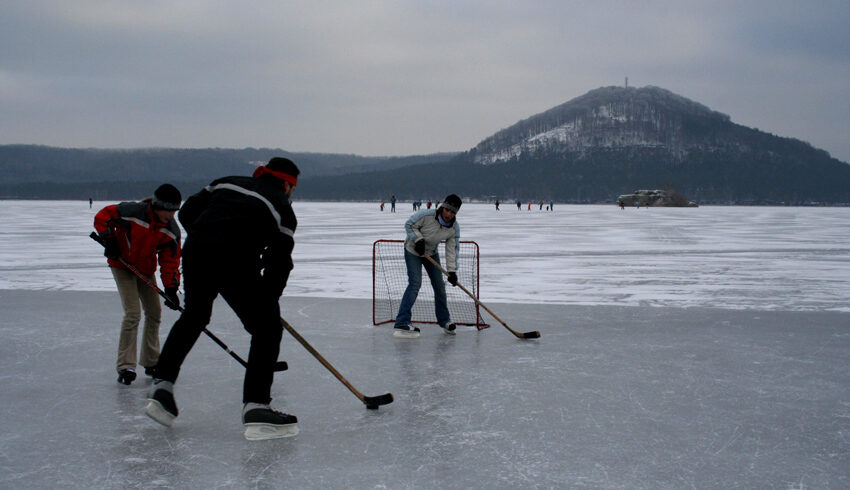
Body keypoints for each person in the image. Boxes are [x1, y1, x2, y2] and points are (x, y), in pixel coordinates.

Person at [145, 157, 301, 441]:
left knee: (195, 315)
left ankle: (162, 385)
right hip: (237, 261)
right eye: (293, 187)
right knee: (267, 329)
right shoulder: (283, 208)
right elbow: (280, 262)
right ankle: (256, 406)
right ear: (287, 184)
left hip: (196, 252)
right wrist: (268, 301)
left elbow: (188, 212)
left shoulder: (226, 181)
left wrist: (208, 236)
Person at [93, 184, 182, 385]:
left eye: (174, 211)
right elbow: (103, 216)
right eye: (168, 211)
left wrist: (171, 288)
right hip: (121, 266)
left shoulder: (170, 230)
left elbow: (171, 260)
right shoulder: (132, 212)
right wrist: (109, 239)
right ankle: (126, 366)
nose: (171, 215)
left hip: (145, 270)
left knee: (154, 312)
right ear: (157, 206)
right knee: (133, 313)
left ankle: (151, 362)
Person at [392, 194, 462, 339]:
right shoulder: (426, 215)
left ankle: (445, 321)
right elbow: (409, 225)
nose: (449, 214)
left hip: (431, 253)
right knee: (415, 283)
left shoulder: (454, 228)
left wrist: (452, 271)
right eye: (448, 210)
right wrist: (418, 239)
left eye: (453, 212)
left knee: (439, 287)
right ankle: (402, 321)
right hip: (413, 251)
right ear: (443, 207)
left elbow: (452, 249)